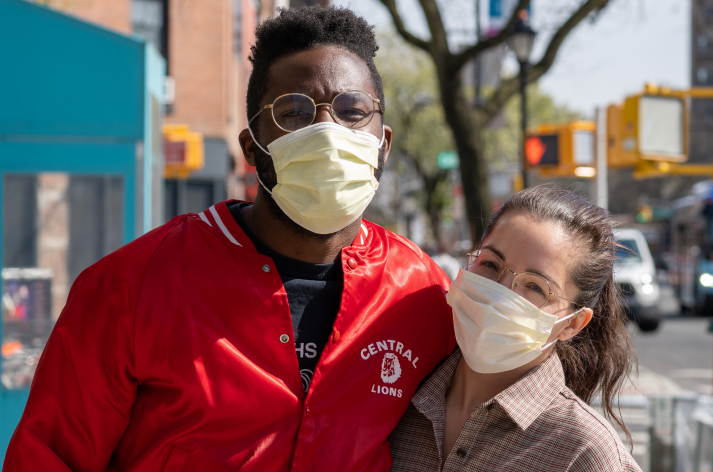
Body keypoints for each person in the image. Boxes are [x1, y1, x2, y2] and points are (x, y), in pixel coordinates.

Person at [4, 6, 456, 471]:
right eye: (294, 112)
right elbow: (47, 456)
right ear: (250, 147)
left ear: (383, 142)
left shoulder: (421, 293)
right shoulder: (133, 285)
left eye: (353, 111)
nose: (328, 133)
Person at [389, 186, 641, 472]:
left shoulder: (584, 453)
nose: (500, 294)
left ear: (572, 323)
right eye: (491, 264)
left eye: (535, 286)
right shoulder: (392, 395)